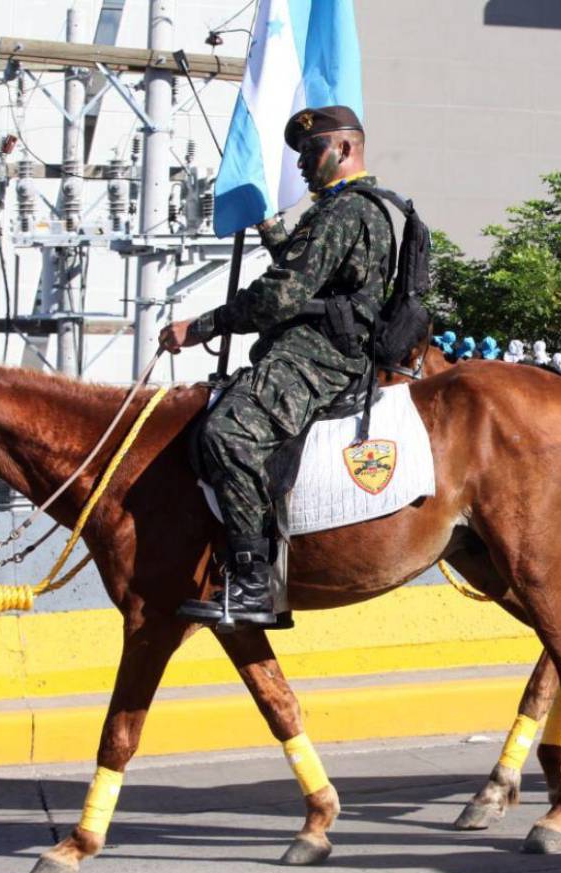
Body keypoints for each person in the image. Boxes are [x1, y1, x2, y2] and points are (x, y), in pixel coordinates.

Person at [160, 105, 393, 627]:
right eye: (300, 155)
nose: (304, 165)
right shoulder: (348, 210)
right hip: (317, 348)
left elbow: (281, 295)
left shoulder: (345, 211)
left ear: (346, 149)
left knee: (228, 432)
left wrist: (200, 327)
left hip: (320, 357)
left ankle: (251, 584)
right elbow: (306, 269)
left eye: (312, 152)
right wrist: (265, 221)